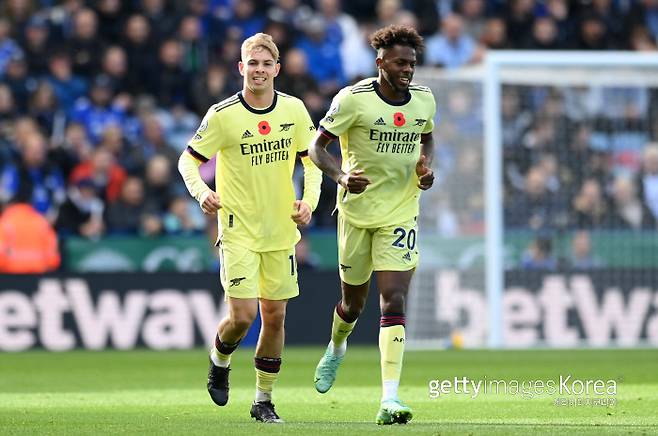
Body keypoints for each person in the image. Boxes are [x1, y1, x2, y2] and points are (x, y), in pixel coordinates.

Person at [177, 33, 321, 423]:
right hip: (238, 228)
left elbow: (313, 161)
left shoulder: (294, 111)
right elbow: (187, 161)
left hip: (280, 231)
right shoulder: (223, 115)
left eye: (265, 64)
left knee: (274, 316)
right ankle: (219, 359)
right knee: (243, 316)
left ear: (277, 68)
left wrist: (309, 201)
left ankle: (263, 400)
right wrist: (201, 192)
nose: (259, 70)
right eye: (251, 64)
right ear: (241, 68)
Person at [308, 24, 436, 425]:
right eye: (399, 62)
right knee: (353, 304)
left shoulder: (425, 100)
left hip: (400, 211)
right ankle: (337, 347)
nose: (407, 70)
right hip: (357, 213)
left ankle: (390, 398)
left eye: (411, 64)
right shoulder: (352, 100)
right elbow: (316, 147)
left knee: (393, 299)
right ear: (380, 62)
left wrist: (424, 165)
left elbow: (426, 137)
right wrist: (342, 177)